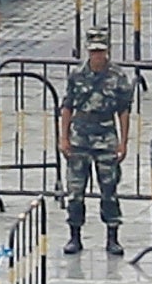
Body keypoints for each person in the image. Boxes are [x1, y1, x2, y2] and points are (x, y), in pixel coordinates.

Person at [57, 29, 133, 257]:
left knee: (109, 189)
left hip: (106, 135)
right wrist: (64, 138)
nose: (97, 56)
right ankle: (74, 236)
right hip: (80, 136)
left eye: (100, 51)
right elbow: (67, 106)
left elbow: (123, 111)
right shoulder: (77, 75)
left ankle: (112, 237)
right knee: (75, 191)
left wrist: (123, 142)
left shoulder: (117, 76)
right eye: (93, 51)